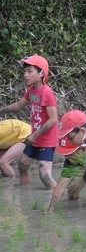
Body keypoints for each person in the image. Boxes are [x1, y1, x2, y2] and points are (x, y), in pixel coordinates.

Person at [0, 55, 58, 189]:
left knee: (44, 175)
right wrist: (1, 110)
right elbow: (18, 106)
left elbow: (53, 119)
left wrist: (35, 135)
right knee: (22, 166)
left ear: (41, 73)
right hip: (34, 139)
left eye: (30, 71)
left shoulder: (46, 93)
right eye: (24, 71)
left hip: (46, 140)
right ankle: (25, 194)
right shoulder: (32, 90)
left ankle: (57, 198)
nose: (25, 75)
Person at [47, 110, 86, 213]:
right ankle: (78, 211)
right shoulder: (71, 154)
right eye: (66, 155)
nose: (68, 158)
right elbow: (60, 187)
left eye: (70, 154)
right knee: (72, 191)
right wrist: (50, 210)